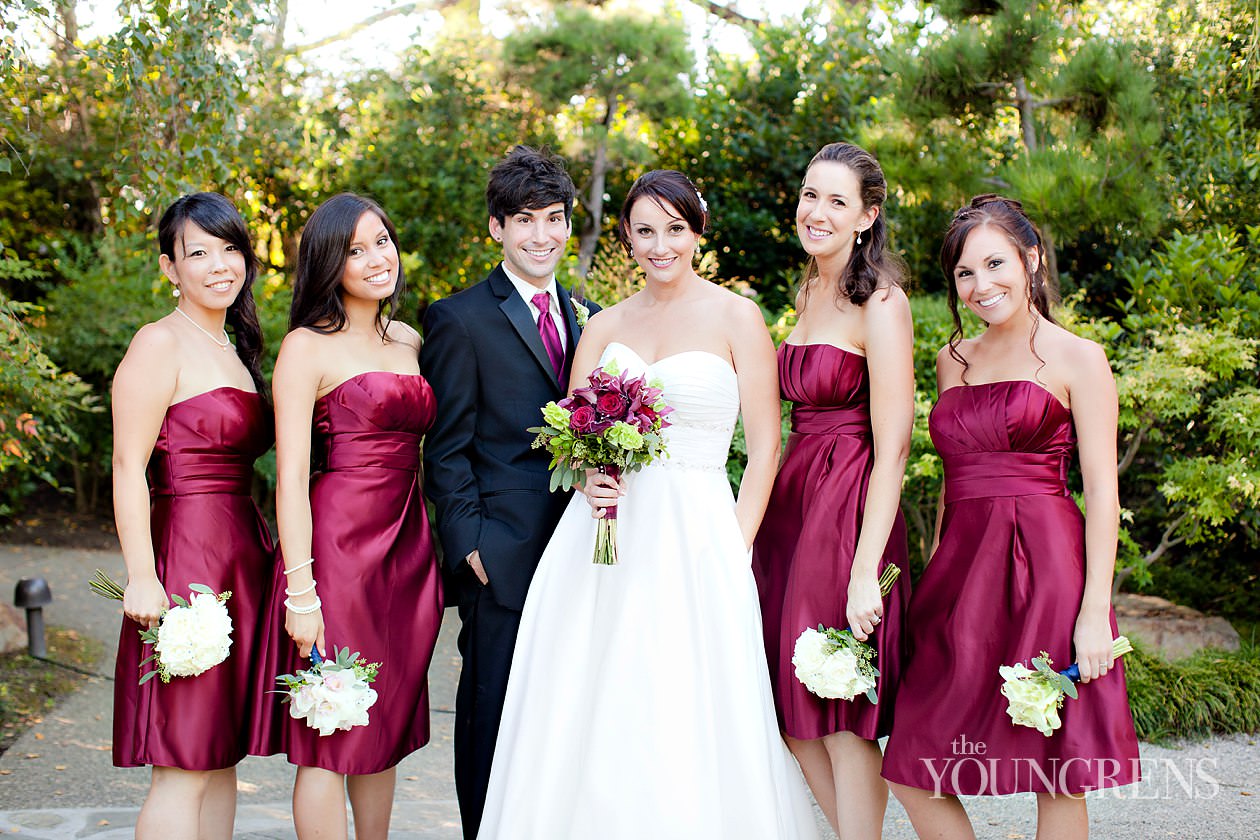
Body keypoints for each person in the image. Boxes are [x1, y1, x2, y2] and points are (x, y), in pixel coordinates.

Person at [478, 169, 819, 839]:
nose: (660, 246)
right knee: (596, 699)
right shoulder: (602, 325)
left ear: (696, 232)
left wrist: (734, 545)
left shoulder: (736, 317)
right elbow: (571, 436)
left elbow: (764, 449)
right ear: (626, 238)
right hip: (602, 538)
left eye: (674, 229)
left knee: (684, 701)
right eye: (644, 231)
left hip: (698, 538)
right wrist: (587, 477)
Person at [881, 195, 1140, 837]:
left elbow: (1103, 496)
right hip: (960, 571)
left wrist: (1093, 615)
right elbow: (951, 478)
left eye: (994, 263)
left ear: (1031, 258)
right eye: (964, 274)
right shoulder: (952, 361)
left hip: (1049, 570)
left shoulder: (1080, 358)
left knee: (1056, 768)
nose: (979, 285)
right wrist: (938, 571)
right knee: (912, 765)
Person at [251, 193, 443, 840]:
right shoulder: (306, 347)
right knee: (328, 723)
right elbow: (291, 481)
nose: (375, 258)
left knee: (382, 723)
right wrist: (300, 591)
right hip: (337, 553)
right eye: (355, 249)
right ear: (329, 264)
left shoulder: (409, 339)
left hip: (409, 550)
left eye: (382, 241)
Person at [421, 145, 598, 838]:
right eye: (524, 220)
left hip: (581, 551)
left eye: (553, 219)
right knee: (492, 716)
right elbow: (448, 449)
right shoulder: (459, 318)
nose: (541, 235)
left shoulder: (589, 315)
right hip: (502, 560)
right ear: (496, 227)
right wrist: (471, 547)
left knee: (566, 718)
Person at [751, 142, 914, 839]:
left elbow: (897, 443)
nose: (816, 212)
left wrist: (863, 572)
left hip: (847, 508)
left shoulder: (882, 301)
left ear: (867, 216)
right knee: (788, 709)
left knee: (841, 707)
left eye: (836, 201)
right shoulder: (808, 290)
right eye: (810, 195)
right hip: (793, 506)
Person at [110, 192, 274, 840]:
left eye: (229, 248)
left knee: (220, 754)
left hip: (241, 560)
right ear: (169, 269)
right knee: (182, 761)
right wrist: (142, 576)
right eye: (197, 252)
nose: (218, 265)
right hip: (186, 562)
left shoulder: (235, 347)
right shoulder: (159, 343)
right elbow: (127, 467)